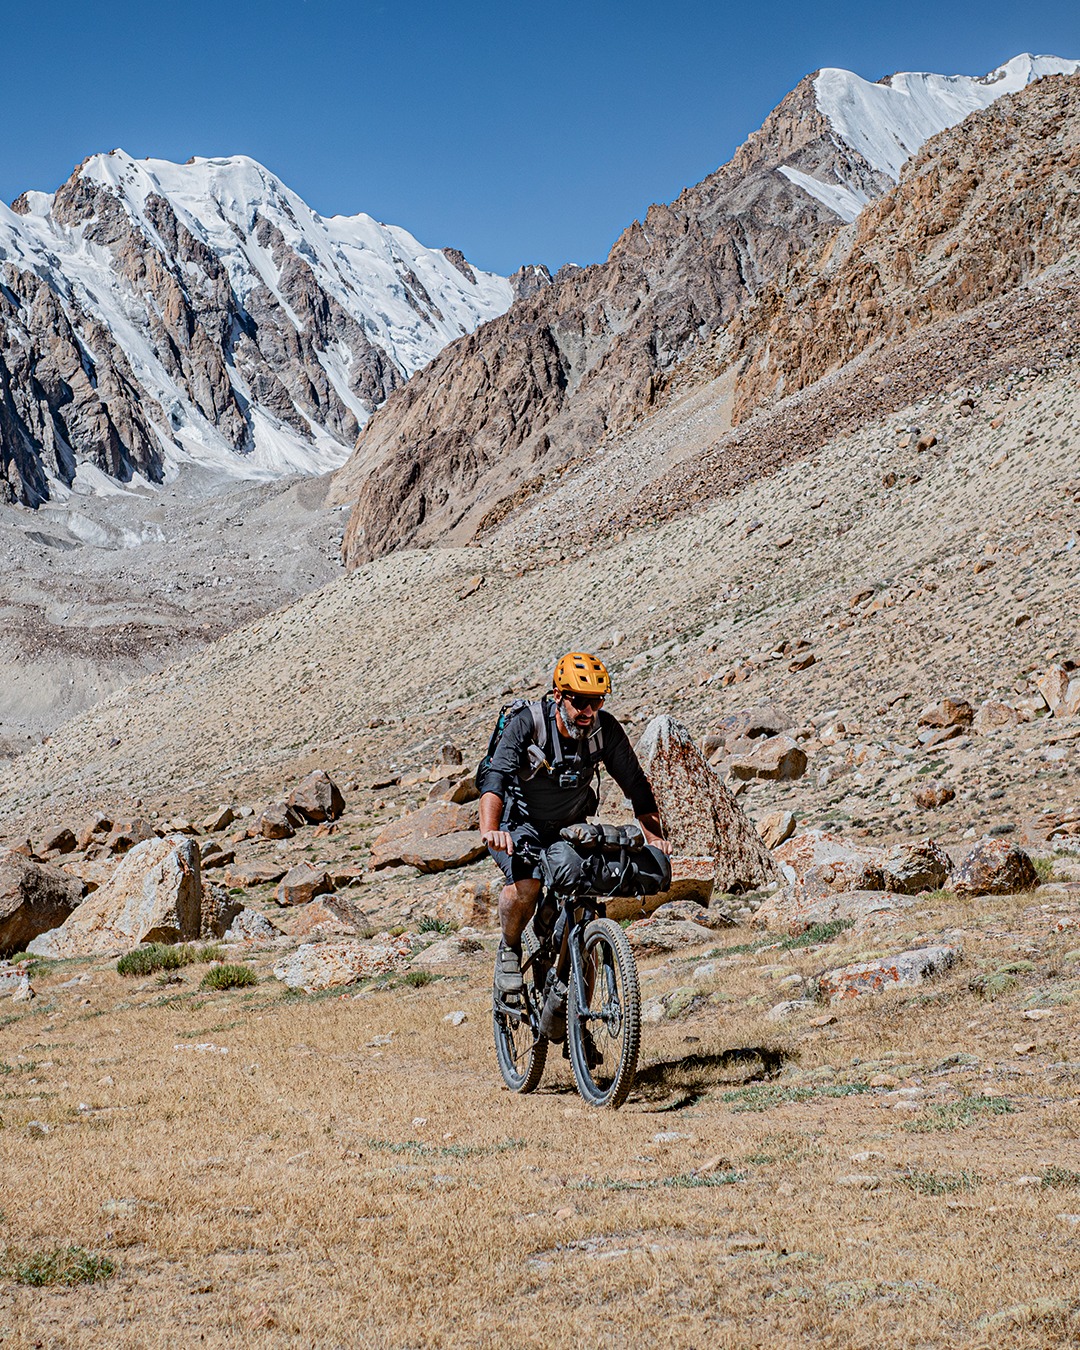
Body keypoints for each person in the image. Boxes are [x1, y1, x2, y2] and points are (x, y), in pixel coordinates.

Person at [478, 651, 670, 1003]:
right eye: (580, 701)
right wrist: (491, 828)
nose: (589, 711)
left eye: (596, 701)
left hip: (570, 830)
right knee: (527, 883)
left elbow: (636, 785)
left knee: (584, 905)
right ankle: (509, 947)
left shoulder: (604, 730)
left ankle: (578, 1025)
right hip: (518, 825)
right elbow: (497, 777)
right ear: (558, 696)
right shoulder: (529, 723)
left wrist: (655, 835)